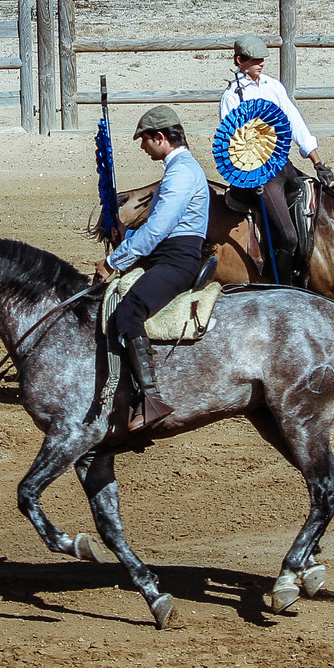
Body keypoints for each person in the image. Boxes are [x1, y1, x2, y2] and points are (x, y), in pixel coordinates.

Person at [95, 106, 211, 431]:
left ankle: (150, 399)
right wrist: (124, 232)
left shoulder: (181, 172)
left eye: (144, 140)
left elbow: (158, 230)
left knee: (128, 313)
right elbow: (157, 232)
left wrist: (113, 261)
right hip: (167, 255)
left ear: (160, 137)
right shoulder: (177, 170)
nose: (142, 147)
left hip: (176, 261)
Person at [218, 34, 332, 282]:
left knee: (319, 200)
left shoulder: (273, 87)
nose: (261, 63)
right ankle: (280, 286)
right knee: (288, 235)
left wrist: (317, 161)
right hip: (258, 174)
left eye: (262, 59)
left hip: (283, 164)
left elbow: (295, 121)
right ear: (240, 60)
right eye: (255, 59)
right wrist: (252, 174)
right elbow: (231, 142)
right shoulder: (232, 98)